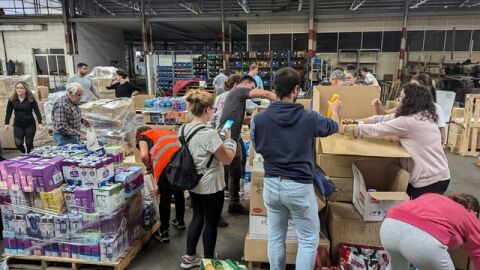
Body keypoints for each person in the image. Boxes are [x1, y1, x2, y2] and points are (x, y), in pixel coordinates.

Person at [250, 67, 341, 270]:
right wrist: (335, 111)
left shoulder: (259, 119)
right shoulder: (309, 119)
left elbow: (256, 146)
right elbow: (336, 127)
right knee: (308, 239)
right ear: (296, 89)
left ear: (275, 89)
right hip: (299, 187)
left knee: (275, 237)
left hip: (272, 184)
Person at [343, 83, 450, 199]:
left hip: (430, 180)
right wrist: (354, 121)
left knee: (418, 213)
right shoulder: (420, 115)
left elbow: (377, 129)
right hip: (436, 174)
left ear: (410, 100)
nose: (397, 100)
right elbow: (379, 119)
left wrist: (352, 129)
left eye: (401, 97)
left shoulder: (410, 121)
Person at [180, 90, 237, 268]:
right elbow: (227, 158)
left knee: (197, 217)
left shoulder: (184, 128)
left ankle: (189, 258)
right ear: (206, 110)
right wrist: (229, 141)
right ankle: (209, 261)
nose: (213, 111)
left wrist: (215, 136)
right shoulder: (209, 134)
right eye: (212, 108)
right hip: (211, 185)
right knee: (211, 222)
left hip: (193, 182)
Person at [219, 75, 276, 215]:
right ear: (246, 83)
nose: (252, 90)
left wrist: (257, 115)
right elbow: (265, 93)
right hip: (226, 135)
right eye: (252, 87)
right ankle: (215, 213)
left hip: (233, 135)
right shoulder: (239, 91)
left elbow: (243, 120)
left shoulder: (237, 98)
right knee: (223, 175)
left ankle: (234, 203)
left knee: (236, 171)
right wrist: (283, 102)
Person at [380, 193, 480, 270]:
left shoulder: (435, 197)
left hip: (389, 226)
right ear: (474, 212)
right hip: (423, 241)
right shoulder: (469, 215)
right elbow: (478, 251)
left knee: (396, 268)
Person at [135, 126, 185, 243]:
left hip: (165, 166)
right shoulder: (162, 132)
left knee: (165, 197)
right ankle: (180, 221)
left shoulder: (143, 137)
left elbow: (143, 155)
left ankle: (164, 232)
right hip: (180, 163)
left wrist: (149, 167)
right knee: (178, 192)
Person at [372, 73, 447, 144]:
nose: (410, 89)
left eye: (414, 86)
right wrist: (378, 106)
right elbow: (383, 115)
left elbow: (442, 138)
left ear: (424, 89)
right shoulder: (409, 106)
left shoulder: (436, 108)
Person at [4, 81, 43, 153]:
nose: (19, 90)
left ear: (26, 90)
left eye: (21, 88)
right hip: (18, 125)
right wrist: (6, 123)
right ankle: (24, 153)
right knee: (18, 143)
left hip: (30, 125)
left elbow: (37, 111)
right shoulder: (12, 99)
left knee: (29, 144)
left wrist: (40, 123)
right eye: (17, 88)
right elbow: (8, 111)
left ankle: (30, 157)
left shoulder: (31, 99)